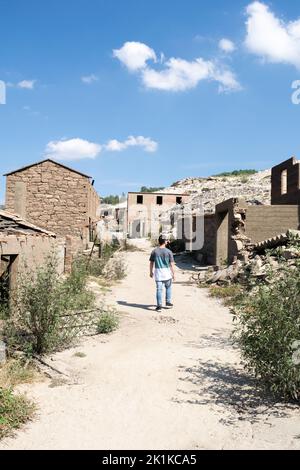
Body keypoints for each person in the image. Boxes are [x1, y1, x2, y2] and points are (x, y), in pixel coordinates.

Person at [149, 235, 175, 312]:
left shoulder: (154, 251)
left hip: (158, 274)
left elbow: (151, 262)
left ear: (158, 241)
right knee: (168, 288)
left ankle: (159, 305)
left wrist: (151, 272)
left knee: (159, 290)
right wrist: (173, 274)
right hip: (167, 274)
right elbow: (171, 265)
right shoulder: (169, 252)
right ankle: (168, 302)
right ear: (165, 242)